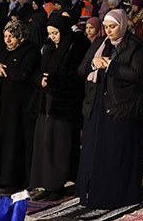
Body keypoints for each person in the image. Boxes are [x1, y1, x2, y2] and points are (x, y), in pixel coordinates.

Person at [76, 9, 143, 210]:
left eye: (113, 27)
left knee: (114, 152)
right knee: (93, 150)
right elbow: (82, 70)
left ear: (122, 25)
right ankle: (91, 193)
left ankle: (114, 195)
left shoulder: (134, 45)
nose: (109, 31)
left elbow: (136, 74)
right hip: (96, 103)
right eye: (106, 27)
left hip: (120, 106)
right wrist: (93, 63)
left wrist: (112, 66)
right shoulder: (100, 43)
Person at [30, 13, 89, 198]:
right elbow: (38, 70)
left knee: (60, 146)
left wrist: (54, 80)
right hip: (47, 103)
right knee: (45, 144)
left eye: (55, 32)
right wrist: (40, 79)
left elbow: (76, 75)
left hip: (64, 104)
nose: (53, 36)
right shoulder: (49, 47)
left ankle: (57, 185)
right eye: (50, 33)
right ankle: (47, 185)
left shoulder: (75, 45)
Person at [0, 19, 40, 190]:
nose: (8, 40)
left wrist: (3, 71)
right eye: (6, 36)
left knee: (14, 142)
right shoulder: (1, 49)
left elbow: (24, 73)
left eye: (12, 37)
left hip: (18, 106)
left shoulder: (31, 50)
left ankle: (12, 181)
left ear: (21, 37)